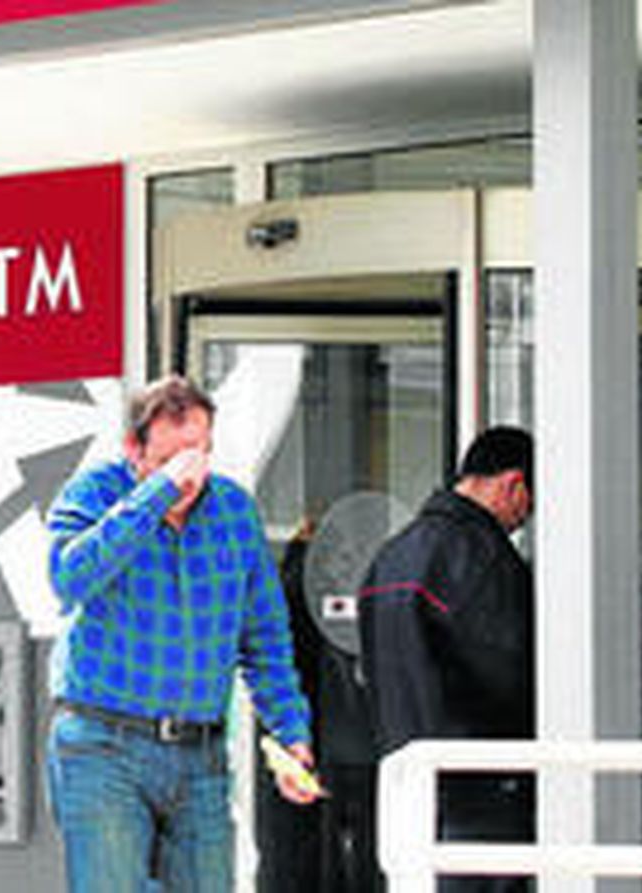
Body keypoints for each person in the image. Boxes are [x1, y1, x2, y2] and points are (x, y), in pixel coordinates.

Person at [45, 374, 320, 893]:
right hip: (103, 745)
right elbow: (69, 577)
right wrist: (156, 496)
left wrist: (291, 733)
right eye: (174, 455)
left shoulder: (234, 512)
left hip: (200, 753)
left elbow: (265, 640)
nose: (191, 471)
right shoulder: (94, 493)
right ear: (135, 449)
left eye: (201, 451)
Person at [358, 426, 535, 893]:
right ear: (512, 484)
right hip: (482, 797)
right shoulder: (483, 559)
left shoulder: (391, 556)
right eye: (527, 506)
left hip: (408, 791)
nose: (523, 520)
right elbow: (514, 674)